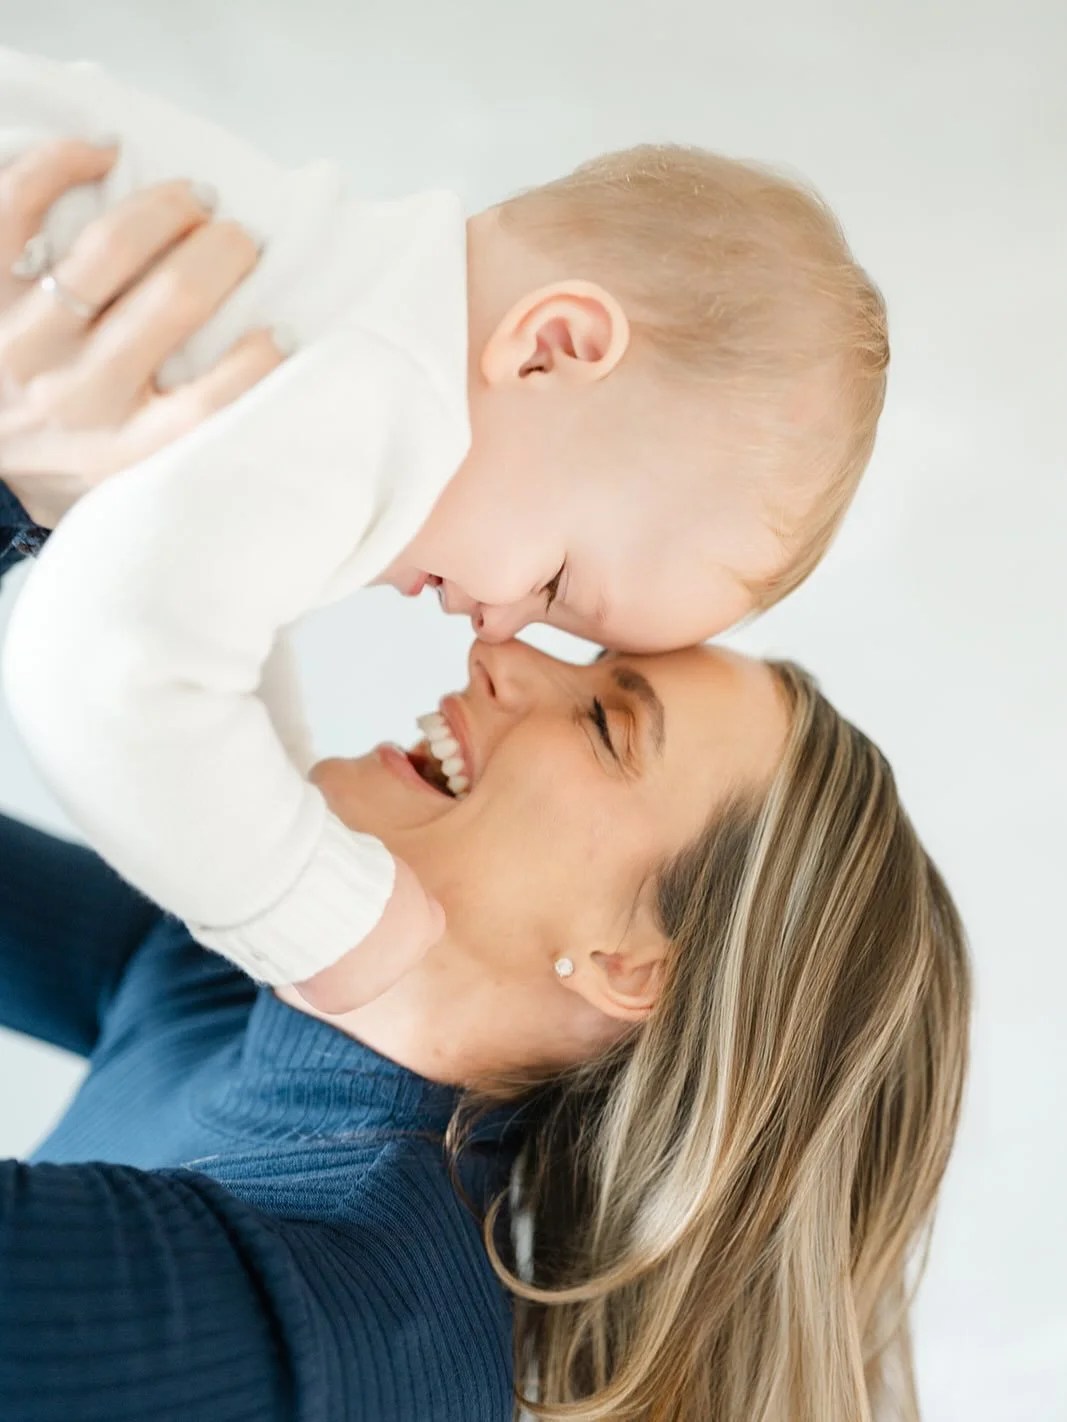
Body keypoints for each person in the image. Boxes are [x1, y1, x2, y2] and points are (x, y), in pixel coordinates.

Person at [0, 49, 889, 1015]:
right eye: (552, 582)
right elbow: (105, 663)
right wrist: (309, 914)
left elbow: (202, 615)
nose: (496, 630)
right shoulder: (388, 398)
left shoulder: (331, 319)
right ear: (550, 351)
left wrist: (289, 788)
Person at [0, 609, 970, 1419]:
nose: (497, 651)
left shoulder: (344, 1309)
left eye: (605, 728)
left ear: (626, 966)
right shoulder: (230, 984)